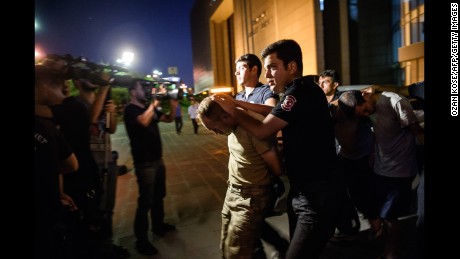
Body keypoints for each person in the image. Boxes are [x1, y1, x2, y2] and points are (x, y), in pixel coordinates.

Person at [213, 39, 345, 259]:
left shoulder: (297, 93)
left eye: (273, 67)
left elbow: (264, 131)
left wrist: (235, 113)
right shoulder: (303, 91)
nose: (268, 75)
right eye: (266, 69)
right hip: (305, 191)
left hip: (316, 196)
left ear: (291, 67)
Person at [338, 90, 424, 259]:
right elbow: (378, 134)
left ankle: (392, 252)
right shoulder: (370, 109)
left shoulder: (395, 102)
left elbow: (417, 131)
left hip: (400, 170)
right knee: (382, 213)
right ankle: (389, 246)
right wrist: (372, 154)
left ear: (365, 96)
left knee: (389, 214)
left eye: (364, 110)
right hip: (380, 168)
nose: (365, 114)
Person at [197, 97, 284, 259]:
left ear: (225, 117)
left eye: (215, 128)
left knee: (236, 251)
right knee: (226, 242)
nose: (216, 133)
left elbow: (277, 168)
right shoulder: (231, 127)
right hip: (233, 192)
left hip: (252, 197)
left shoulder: (251, 128)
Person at [235, 53, 288, 259]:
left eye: (240, 68)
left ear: (254, 69)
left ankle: (273, 248)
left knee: (250, 219)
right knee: (249, 219)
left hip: (265, 165)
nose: (236, 72)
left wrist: (238, 107)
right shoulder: (239, 96)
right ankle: (275, 247)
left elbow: (271, 109)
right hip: (246, 167)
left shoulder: (264, 91)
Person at [124, 79, 178, 256]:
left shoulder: (150, 107)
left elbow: (169, 119)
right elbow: (144, 122)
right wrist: (154, 102)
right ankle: (141, 241)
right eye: (142, 88)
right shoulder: (130, 110)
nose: (146, 90)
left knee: (159, 196)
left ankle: (158, 226)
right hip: (144, 163)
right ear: (133, 92)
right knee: (145, 202)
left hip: (157, 159)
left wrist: (174, 103)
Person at [319, 69, 373, 242]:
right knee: (341, 193)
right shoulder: (321, 102)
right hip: (336, 155)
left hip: (355, 155)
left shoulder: (346, 101)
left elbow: (351, 136)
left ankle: (370, 225)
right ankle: (349, 226)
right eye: (319, 82)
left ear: (335, 85)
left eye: (325, 82)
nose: (321, 85)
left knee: (356, 192)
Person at [35, 65, 79, 258]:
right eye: (58, 86)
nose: (64, 91)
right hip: (46, 219)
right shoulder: (46, 126)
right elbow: (71, 165)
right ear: (43, 87)